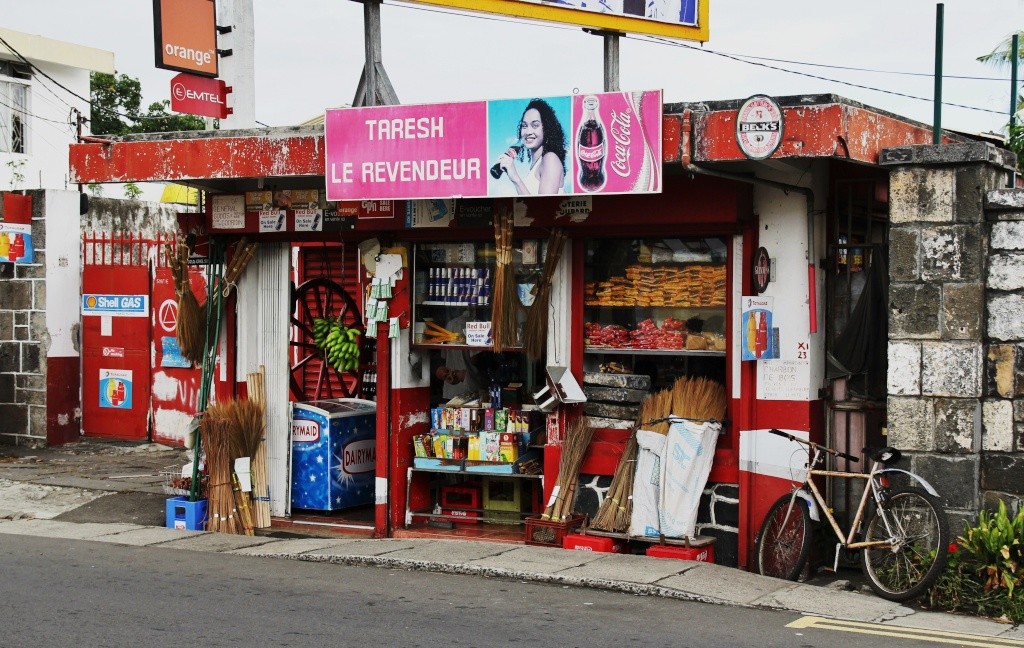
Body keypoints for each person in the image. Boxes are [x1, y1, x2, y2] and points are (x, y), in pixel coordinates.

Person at [494, 98, 567, 196]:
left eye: (535, 125)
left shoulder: (550, 159)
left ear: (546, 129)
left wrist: (515, 178)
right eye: (524, 126)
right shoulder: (536, 164)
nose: (528, 132)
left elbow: (546, 208)